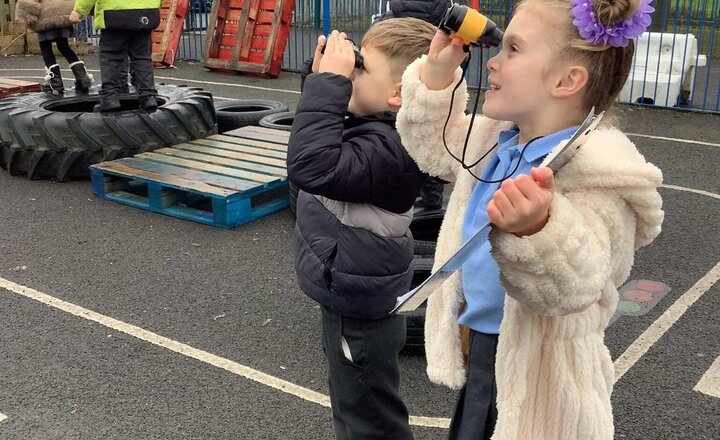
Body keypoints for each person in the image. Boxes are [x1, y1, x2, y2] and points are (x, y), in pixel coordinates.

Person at [395, 0, 663, 439]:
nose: (494, 61)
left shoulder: (600, 173)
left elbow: (580, 282)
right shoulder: (497, 139)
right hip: (483, 348)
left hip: (545, 382)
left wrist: (538, 230)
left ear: (566, 81)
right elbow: (434, 146)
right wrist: (438, 76)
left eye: (513, 49)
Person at [286, 17, 436, 440]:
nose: (347, 74)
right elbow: (320, 126)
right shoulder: (373, 127)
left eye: (359, 69)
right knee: (352, 403)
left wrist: (329, 84)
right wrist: (320, 78)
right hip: (347, 291)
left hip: (360, 310)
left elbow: (310, 164)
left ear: (397, 95)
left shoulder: (391, 150)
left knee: (370, 418)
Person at [376, 0, 452, 211]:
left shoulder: (393, 14)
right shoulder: (446, 11)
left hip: (401, 86)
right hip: (434, 87)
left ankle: (405, 194)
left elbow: (380, 38)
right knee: (434, 138)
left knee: (402, 137)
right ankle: (432, 199)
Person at [69, 0, 160, 112]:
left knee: (111, 56)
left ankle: (109, 98)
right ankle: (148, 97)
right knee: (142, 57)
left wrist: (79, 10)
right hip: (146, 11)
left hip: (114, 13)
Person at [14, 0, 94, 96]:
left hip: (45, 15)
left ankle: (56, 84)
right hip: (63, 12)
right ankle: (82, 78)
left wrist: (26, 14)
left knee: (46, 48)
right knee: (64, 46)